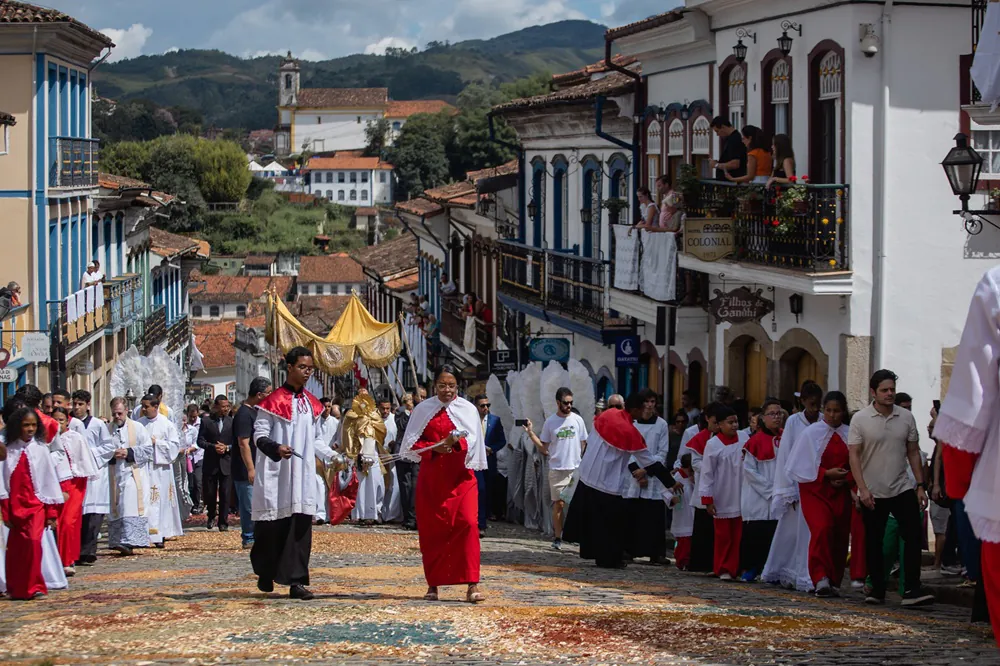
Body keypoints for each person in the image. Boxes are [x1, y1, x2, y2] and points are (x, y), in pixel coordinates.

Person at [251, 347, 341, 600]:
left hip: (302, 476)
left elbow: (316, 440)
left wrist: (335, 457)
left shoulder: (311, 404)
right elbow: (259, 434)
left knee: (300, 529)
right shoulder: (271, 403)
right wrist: (276, 448)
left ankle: (297, 582)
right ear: (289, 367)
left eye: (310, 368)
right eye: (302, 367)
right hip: (277, 473)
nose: (307, 372)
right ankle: (266, 571)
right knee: (272, 529)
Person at [399, 365, 486, 603]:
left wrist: (456, 444)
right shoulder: (422, 410)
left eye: (451, 385)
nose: (447, 390)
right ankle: (433, 584)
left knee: (468, 524)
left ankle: (472, 583)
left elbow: (474, 441)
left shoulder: (467, 409)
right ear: (433, 386)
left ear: (458, 387)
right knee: (433, 531)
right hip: (433, 479)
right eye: (441, 385)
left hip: (461, 478)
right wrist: (433, 448)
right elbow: (410, 445)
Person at [848, 369, 934, 607]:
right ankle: (876, 588)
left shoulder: (905, 418)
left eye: (892, 390)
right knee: (874, 540)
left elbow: (913, 451)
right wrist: (862, 489)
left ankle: (912, 589)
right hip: (873, 489)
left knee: (913, 534)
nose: (889, 394)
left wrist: (920, 485)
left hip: (902, 486)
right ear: (873, 392)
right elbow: (854, 455)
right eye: (885, 390)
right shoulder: (860, 419)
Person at [563, 392, 678, 569]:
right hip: (607, 482)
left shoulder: (608, 415)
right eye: (643, 408)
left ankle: (591, 552)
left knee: (591, 522)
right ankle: (609, 558)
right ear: (635, 409)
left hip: (587, 475)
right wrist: (670, 482)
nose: (646, 411)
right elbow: (650, 461)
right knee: (610, 525)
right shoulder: (629, 431)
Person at [786, 392, 852, 597]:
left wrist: (846, 478)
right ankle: (819, 576)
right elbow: (800, 464)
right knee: (822, 528)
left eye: (837, 411)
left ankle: (834, 578)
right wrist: (825, 474)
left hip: (841, 491)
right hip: (815, 490)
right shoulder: (811, 433)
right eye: (828, 410)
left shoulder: (850, 434)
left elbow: (858, 462)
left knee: (840, 534)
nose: (832, 415)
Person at [762, 381, 823, 591]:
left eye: (818, 404)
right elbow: (786, 455)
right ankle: (787, 569)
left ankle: (808, 572)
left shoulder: (824, 421)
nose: (816, 409)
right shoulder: (794, 423)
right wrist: (787, 490)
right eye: (812, 404)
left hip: (819, 483)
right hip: (796, 485)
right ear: (803, 401)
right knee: (792, 533)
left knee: (811, 533)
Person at [1, 408, 63, 599]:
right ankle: (17, 587)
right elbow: (3, 481)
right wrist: (5, 511)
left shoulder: (41, 449)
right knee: (17, 550)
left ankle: (35, 585)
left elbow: (48, 482)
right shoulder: (8, 450)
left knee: (34, 544)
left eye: (33, 425)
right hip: (15, 506)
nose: (30, 429)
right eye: (26, 425)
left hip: (36, 506)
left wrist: (51, 513)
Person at [526, 387, 588, 550]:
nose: (568, 406)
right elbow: (544, 447)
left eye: (571, 403)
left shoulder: (577, 420)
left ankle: (576, 535)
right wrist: (531, 434)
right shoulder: (551, 422)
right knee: (559, 504)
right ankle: (558, 537)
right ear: (558, 403)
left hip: (575, 468)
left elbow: (584, 442)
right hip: (557, 469)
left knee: (577, 505)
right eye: (566, 403)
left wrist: (584, 460)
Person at [699, 405, 750, 580]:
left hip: (741, 491)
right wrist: (707, 498)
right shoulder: (713, 445)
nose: (734, 425)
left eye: (736, 421)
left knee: (738, 535)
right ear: (719, 424)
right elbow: (707, 473)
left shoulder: (744, 438)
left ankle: (735, 567)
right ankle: (722, 567)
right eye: (730, 422)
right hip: (722, 494)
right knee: (723, 536)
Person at [622, 388, 670, 564]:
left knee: (653, 517)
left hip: (653, 476)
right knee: (631, 515)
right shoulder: (632, 424)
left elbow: (662, 451)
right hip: (633, 476)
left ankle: (655, 553)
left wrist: (647, 471)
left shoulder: (661, 425)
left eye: (652, 402)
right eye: (646, 402)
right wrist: (636, 472)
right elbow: (627, 449)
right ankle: (628, 549)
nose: (649, 406)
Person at [48, 406, 97, 576]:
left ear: (67, 421)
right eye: (55, 420)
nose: (58, 424)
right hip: (55, 484)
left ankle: (68, 559)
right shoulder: (46, 439)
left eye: (61, 420)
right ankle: (58, 559)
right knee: (57, 522)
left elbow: (83, 462)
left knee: (69, 521)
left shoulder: (75, 438)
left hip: (75, 483)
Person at [740, 399, 782, 582]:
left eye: (779, 413)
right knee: (757, 535)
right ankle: (752, 568)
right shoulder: (754, 441)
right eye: (772, 414)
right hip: (759, 496)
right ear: (763, 418)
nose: (777, 417)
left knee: (776, 536)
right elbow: (749, 471)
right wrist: (770, 489)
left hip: (780, 494)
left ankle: (772, 570)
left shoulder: (786, 438)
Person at [677, 402, 722, 573]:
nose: (717, 425)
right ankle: (701, 563)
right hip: (704, 485)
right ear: (707, 419)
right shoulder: (698, 437)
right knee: (703, 528)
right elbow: (693, 462)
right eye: (715, 421)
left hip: (724, 487)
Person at [106, 397, 154, 556]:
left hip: (133, 474)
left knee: (128, 506)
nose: (117, 417)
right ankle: (117, 540)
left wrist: (128, 452)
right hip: (114, 474)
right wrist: (112, 454)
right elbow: (101, 450)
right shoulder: (107, 429)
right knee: (117, 507)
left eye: (120, 413)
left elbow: (148, 450)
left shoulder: (138, 428)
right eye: (114, 414)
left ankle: (130, 541)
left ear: (127, 411)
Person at [72, 390, 115, 566]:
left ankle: (89, 551)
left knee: (93, 516)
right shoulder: (70, 424)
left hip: (95, 474)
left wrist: (89, 453)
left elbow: (108, 447)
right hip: (77, 473)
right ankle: (76, 550)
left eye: (80, 404)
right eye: (74, 404)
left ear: (88, 405)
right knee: (78, 516)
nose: (76, 407)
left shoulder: (97, 425)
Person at [136, 394, 183, 549]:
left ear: (156, 407)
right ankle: (142, 534)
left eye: (146, 406)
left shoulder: (166, 424)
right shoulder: (139, 424)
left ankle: (159, 534)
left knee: (159, 501)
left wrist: (157, 443)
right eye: (142, 406)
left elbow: (174, 447)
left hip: (160, 470)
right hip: (144, 468)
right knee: (143, 500)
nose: (143, 409)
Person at [233, 378, 271, 549]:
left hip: (259, 464)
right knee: (248, 504)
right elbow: (243, 443)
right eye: (268, 393)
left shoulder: (257, 412)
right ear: (259, 394)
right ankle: (248, 536)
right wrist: (250, 468)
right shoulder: (243, 414)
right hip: (245, 467)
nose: (270, 396)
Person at [344, 393, 388, 526]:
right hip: (359, 453)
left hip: (373, 453)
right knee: (360, 485)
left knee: (375, 483)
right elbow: (347, 433)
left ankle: (374, 513)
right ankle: (359, 514)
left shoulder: (375, 416)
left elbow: (382, 431)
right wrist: (352, 451)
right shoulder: (351, 416)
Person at [198, 395, 234, 532]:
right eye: (223, 406)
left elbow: (238, 442)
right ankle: (212, 515)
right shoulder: (206, 422)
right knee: (210, 493)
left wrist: (227, 448)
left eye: (227, 406)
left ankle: (223, 521)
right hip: (211, 462)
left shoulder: (231, 422)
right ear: (216, 407)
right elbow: (200, 441)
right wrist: (213, 447)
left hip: (226, 462)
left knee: (225, 493)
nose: (225, 409)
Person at [474, 395, 506, 538]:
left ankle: (485, 516)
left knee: (487, 490)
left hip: (489, 460)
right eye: (482, 406)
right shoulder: (471, 420)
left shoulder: (495, 420)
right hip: (475, 461)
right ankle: (480, 523)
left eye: (488, 405)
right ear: (476, 406)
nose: (486, 408)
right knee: (479, 489)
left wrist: (491, 449)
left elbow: (502, 440)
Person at [393, 392, 419, 530]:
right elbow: (403, 426)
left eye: (411, 399)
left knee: (415, 486)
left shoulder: (419, 411)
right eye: (407, 399)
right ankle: (408, 518)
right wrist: (409, 412)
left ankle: (415, 516)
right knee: (405, 486)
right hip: (402, 453)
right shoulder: (400, 412)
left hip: (416, 453)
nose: (409, 401)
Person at [670, 453, 696, 570]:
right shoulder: (676, 478)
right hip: (682, 512)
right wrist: (671, 499)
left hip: (692, 511)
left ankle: (689, 560)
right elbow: (666, 491)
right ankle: (682, 561)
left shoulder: (692, 478)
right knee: (683, 540)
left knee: (690, 540)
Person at [379, 397, 402, 524]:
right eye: (383, 408)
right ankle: (379, 512)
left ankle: (391, 514)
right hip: (378, 456)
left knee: (393, 485)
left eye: (388, 408)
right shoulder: (375, 420)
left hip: (391, 456)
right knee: (380, 485)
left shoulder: (394, 419)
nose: (385, 411)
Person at [709, 116, 747, 181]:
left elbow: (735, 164)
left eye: (717, 131)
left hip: (731, 181)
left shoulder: (734, 140)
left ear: (723, 127)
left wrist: (716, 165)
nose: (717, 134)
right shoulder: (731, 139)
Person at [182, 404, 203, 514]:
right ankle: (190, 503)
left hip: (198, 456)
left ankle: (197, 503)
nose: (193, 419)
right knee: (190, 482)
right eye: (191, 417)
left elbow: (199, 441)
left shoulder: (200, 424)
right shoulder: (185, 427)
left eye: (195, 417)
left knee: (198, 481)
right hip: (187, 458)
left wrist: (193, 448)